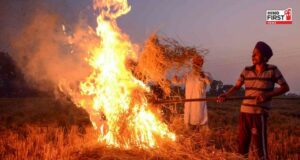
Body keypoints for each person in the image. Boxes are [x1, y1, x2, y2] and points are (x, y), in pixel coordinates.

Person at [218, 41, 289, 159]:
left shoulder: (272, 70)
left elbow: (285, 87)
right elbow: (236, 87)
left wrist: (267, 95)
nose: (253, 56)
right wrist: (226, 95)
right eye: (252, 53)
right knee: (242, 147)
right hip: (244, 112)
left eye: (256, 54)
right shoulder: (246, 70)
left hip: (259, 114)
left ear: (265, 57)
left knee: (260, 148)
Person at [173, 55, 213, 130]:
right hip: (189, 103)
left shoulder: (206, 74)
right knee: (189, 121)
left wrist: (204, 76)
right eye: (194, 63)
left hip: (200, 104)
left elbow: (209, 82)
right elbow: (178, 81)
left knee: (200, 121)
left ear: (201, 64)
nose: (196, 66)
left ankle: (201, 130)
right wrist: (175, 79)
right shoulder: (188, 75)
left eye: (198, 64)